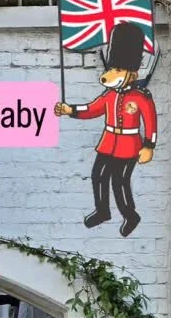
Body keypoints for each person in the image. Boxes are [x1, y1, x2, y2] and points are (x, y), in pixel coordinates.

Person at [54, 22, 157, 237]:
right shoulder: (109, 95)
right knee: (98, 175)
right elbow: (92, 109)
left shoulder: (140, 97)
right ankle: (102, 211)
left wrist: (148, 146)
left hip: (129, 146)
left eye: (117, 70)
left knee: (120, 181)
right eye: (111, 69)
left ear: (131, 73)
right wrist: (70, 110)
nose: (109, 74)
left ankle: (130, 215)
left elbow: (150, 122)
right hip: (108, 142)